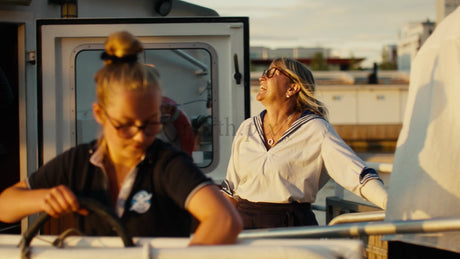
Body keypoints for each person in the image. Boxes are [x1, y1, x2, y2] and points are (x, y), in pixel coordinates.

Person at [0, 31, 242, 245]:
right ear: (100, 114)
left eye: (151, 122)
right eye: (125, 125)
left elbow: (224, 220)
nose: (140, 135)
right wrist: (42, 198)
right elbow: (5, 205)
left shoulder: (168, 164)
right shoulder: (78, 162)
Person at [222, 57, 388, 229]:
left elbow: (354, 173)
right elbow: (230, 190)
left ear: (292, 87)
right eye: (264, 73)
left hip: (290, 227)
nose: (262, 78)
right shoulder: (247, 127)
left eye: (272, 73)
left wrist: (390, 204)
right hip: (244, 227)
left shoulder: (316, 129)